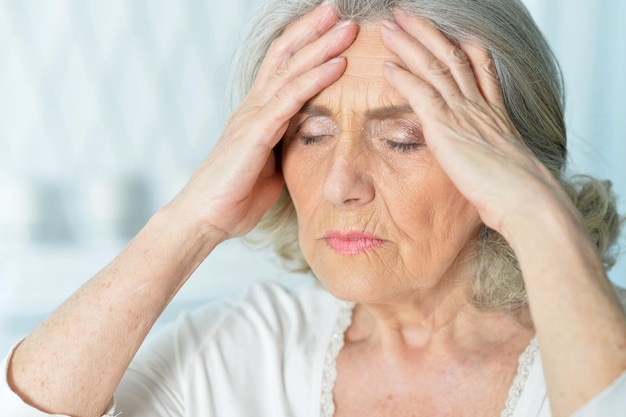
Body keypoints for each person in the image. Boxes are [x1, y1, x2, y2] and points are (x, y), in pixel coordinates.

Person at [2, 0, 625, 415]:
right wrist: (189, 219)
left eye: (403, 139)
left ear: (502, 157)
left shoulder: (598, 351)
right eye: (311, 135)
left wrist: (535, 211)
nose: (340, 184)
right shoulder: (249, 349)